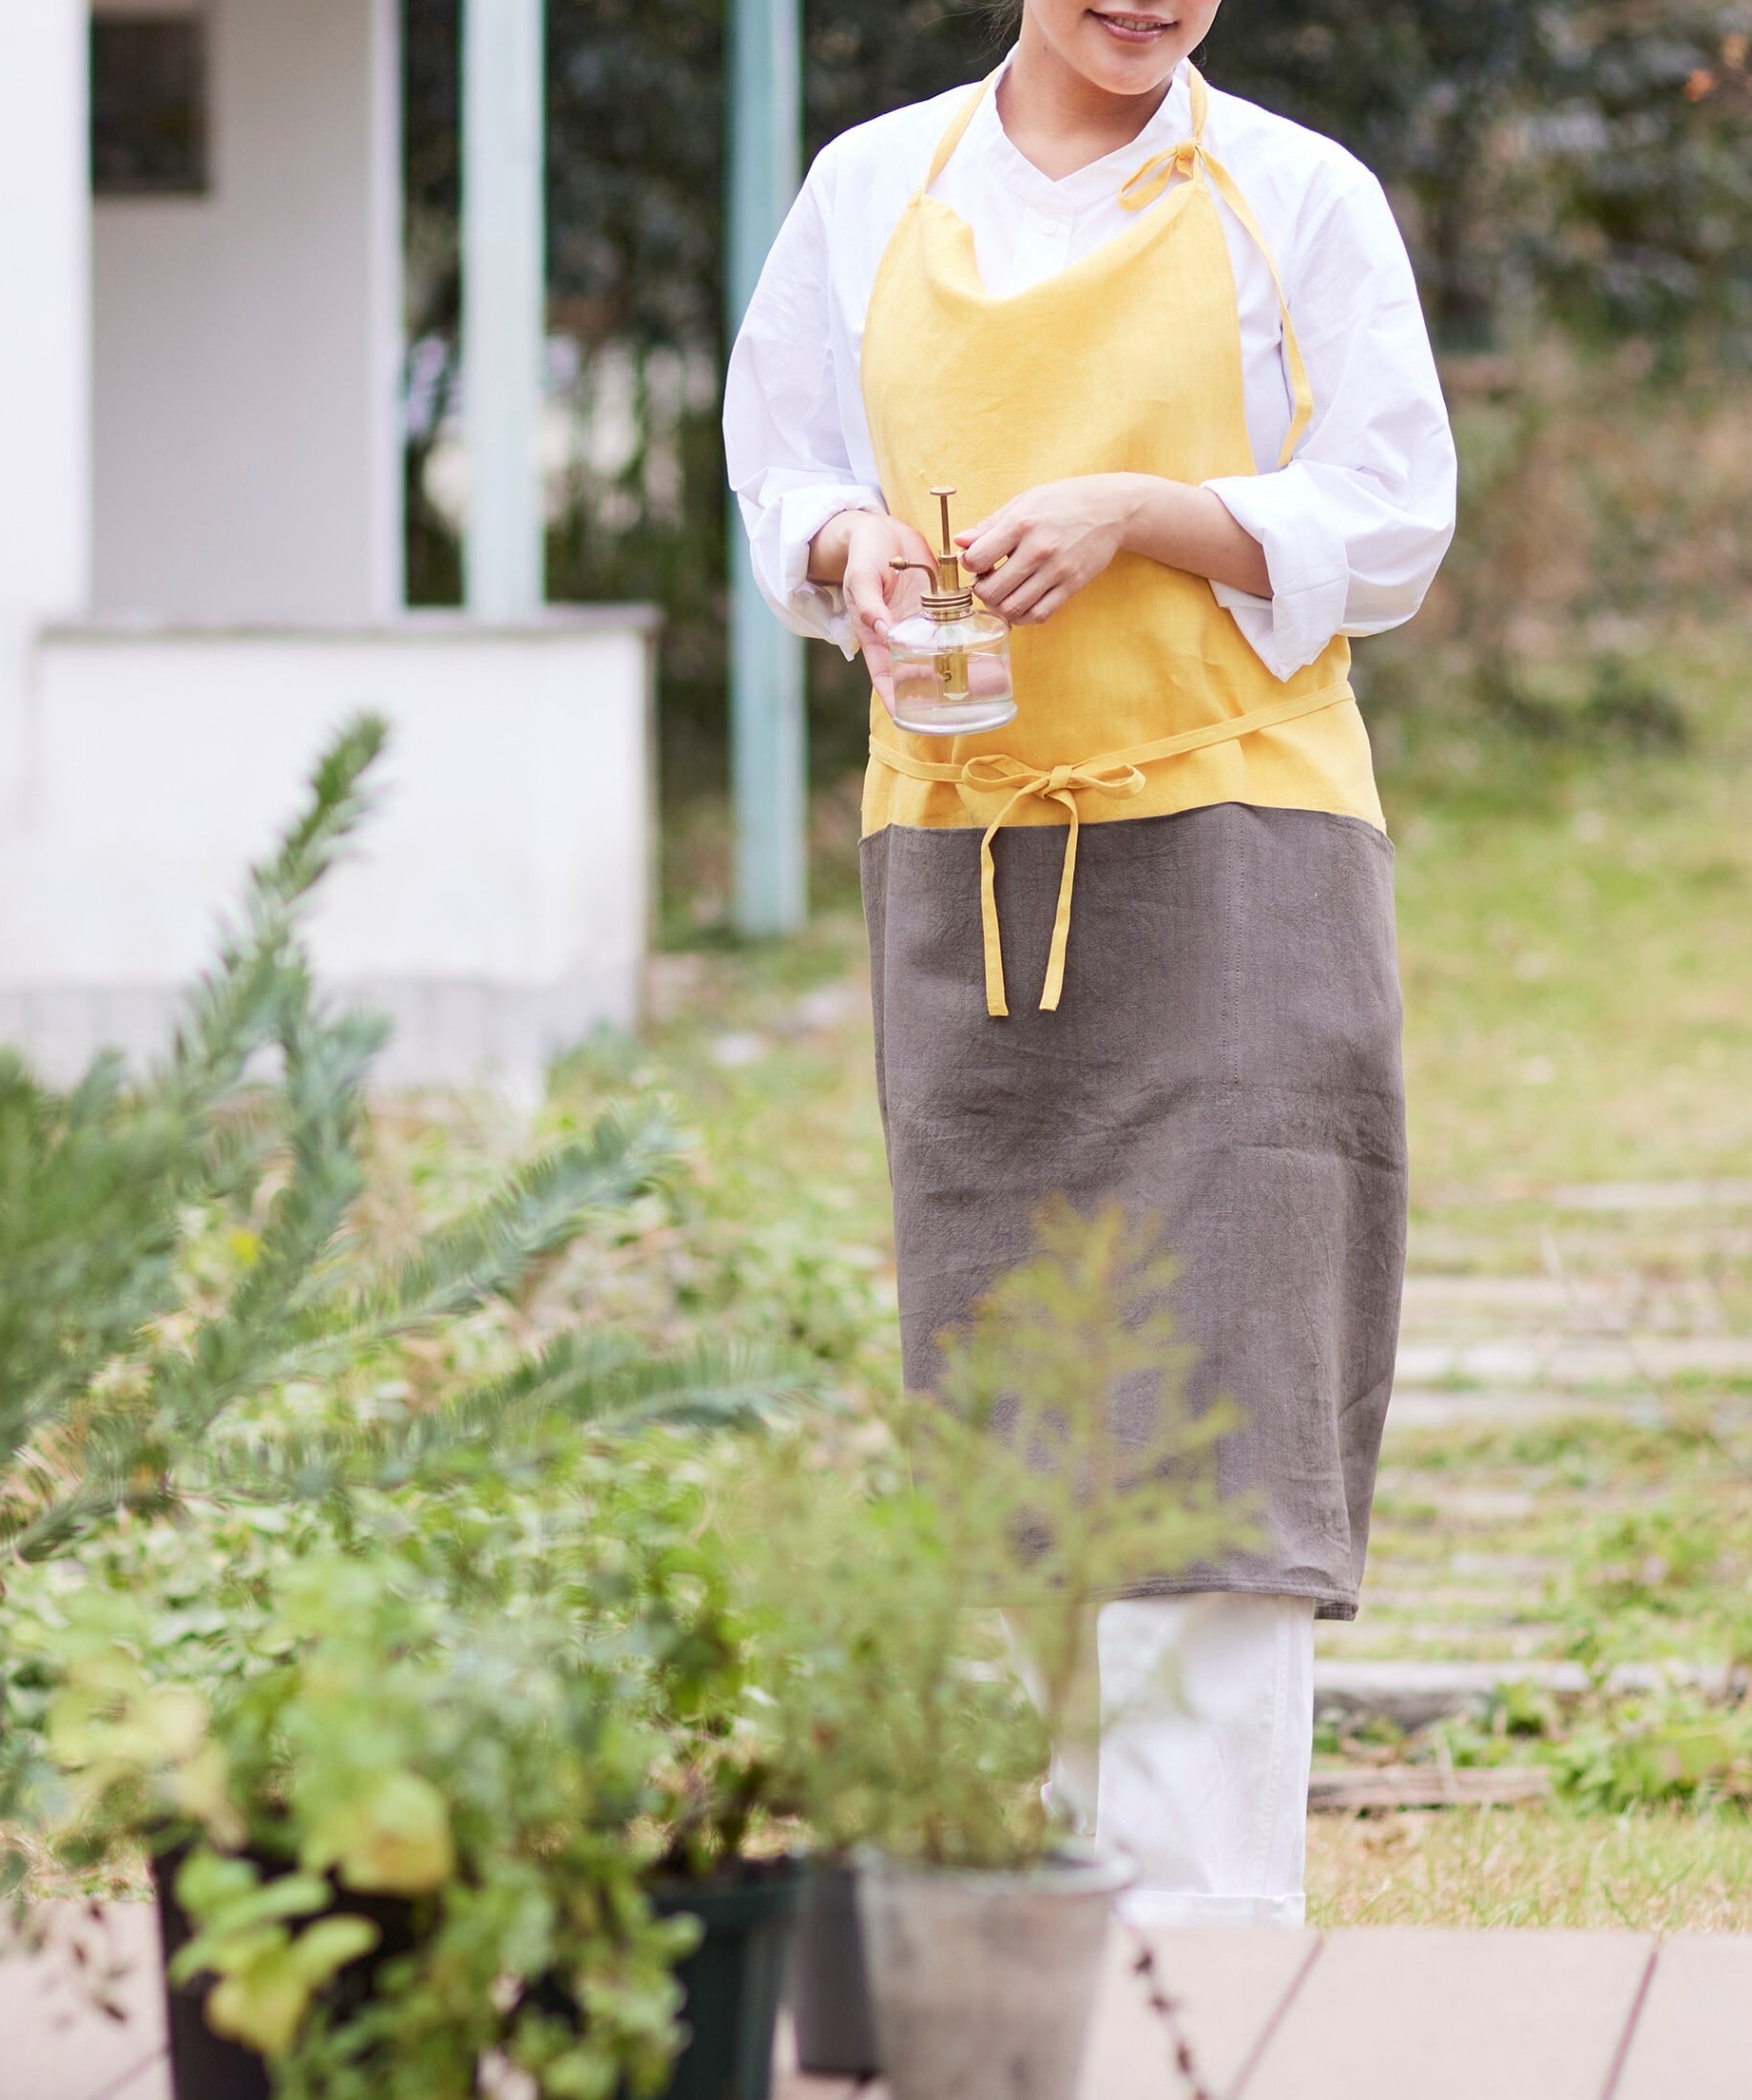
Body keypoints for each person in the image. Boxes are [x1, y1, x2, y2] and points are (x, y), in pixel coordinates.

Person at [724, 0, 1455, 1927]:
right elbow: (780, 474)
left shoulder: (1292, 196)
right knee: (1006, 1390)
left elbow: (1390, 519)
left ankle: (1208, 1956)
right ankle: (1022, 1937)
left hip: (1241, 841)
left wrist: (1140, 515)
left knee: (1222, 1378)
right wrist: (850, 551)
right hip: (966, 851)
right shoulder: (871, 188)